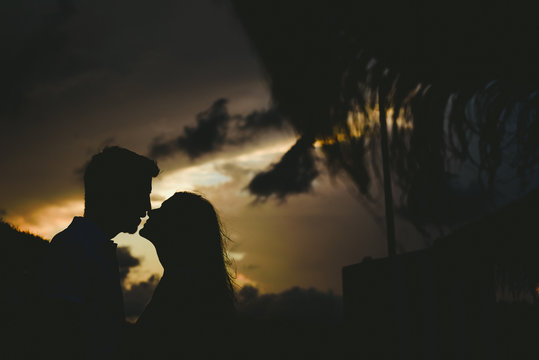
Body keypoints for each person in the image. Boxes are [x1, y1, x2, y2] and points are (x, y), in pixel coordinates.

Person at [40, 146, 159, 359]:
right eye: (142, 195)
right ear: (115, 194)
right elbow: (64, 337)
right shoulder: (74, 248)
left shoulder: (91, 247)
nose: (147, 207)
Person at [135, 192, 236, 359]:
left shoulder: (184, 292)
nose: (151, 212)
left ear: (180, 228)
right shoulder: (187, 285)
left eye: (164, 210)